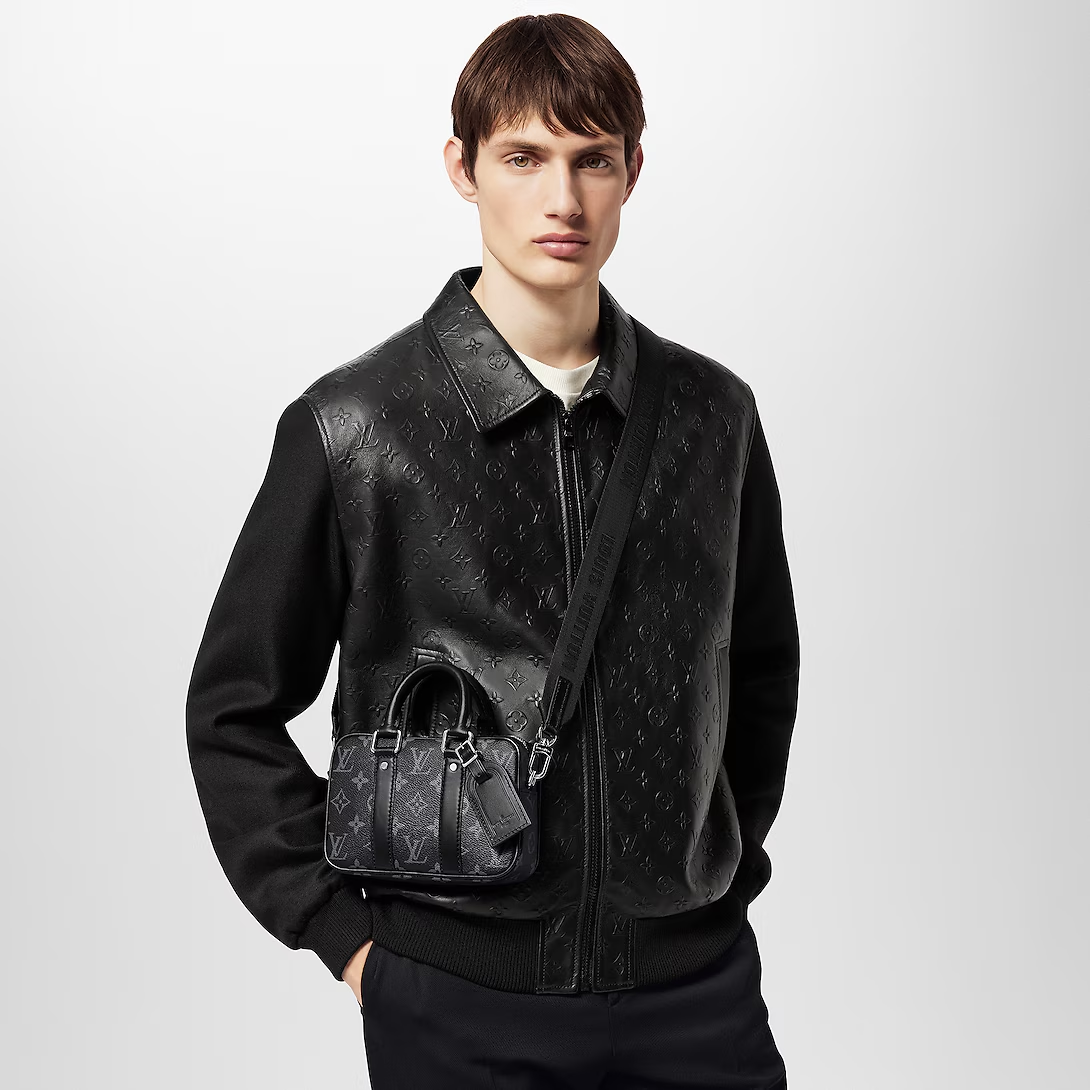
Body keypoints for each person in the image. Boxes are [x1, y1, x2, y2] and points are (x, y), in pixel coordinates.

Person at [186, 12, 800, 1088]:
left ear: (632, 172)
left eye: (592, 159)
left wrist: (717, 876)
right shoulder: (358, 426)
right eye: (523, 158)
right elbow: (232, 709)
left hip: (698, 992)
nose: (563, 200)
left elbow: (758, 672)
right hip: (455, 999)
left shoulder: (713, 416)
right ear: (461, 168)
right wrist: (348, 942)